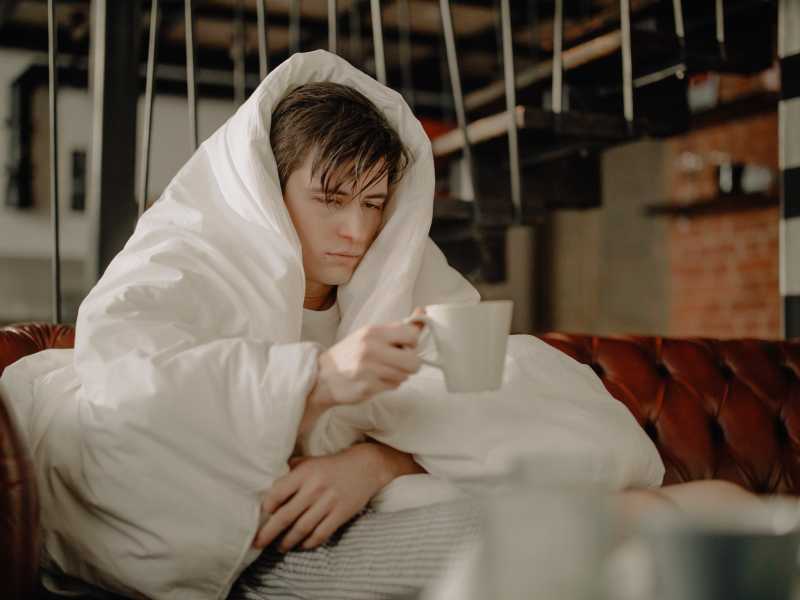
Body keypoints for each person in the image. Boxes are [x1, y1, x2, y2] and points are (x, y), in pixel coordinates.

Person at [4, 50, 762, 600]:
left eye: (374, 203)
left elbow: (494, 392)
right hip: (274, 550)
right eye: (330, 199)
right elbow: (131, 401)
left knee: (723, 507)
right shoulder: (183, 262)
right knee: (646, 529)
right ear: (268, 186)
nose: (357, 231)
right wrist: (321, 379)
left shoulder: (397, 268)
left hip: (381, 502)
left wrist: (377, 459)